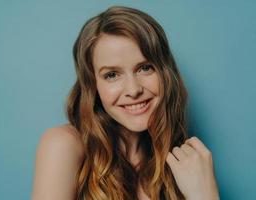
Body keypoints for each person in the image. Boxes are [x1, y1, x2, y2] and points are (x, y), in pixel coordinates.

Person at [31, 5, 220, 200]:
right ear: (93, 85)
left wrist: (206, 195)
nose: (133, 90)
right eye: (112, 75)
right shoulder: (64, 144)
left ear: (165, 74)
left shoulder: (182, 162)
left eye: (145, 68)